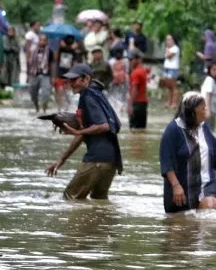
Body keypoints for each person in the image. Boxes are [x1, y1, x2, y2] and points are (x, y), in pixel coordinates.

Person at [159, 91, 216, 213]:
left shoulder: (203, 127)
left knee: (210, 211)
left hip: (206, 184)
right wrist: (176, 186)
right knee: (179, 225)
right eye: (203, 108)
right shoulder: (173, 130)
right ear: (192, 112)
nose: (206, 111)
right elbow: (167, 161)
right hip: (181, 187)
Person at [45, 64, 123, 200]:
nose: (71, 84)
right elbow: (82, 134)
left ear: (86, 79)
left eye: (74, 80)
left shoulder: (87, 97)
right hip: (111, 161)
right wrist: (61, 160)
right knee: (99, 203)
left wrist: (76, 132)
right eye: (69, 80)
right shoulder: (97, 94)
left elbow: (103, 126)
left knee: (69, 198)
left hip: (96, 160)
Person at [28, 34, 55, 113]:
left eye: (44, 40)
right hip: (34, 74)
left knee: (46, 93)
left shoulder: (50, 51)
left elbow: (52, 64)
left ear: (46, 41)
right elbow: (29, 62)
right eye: (41, 40)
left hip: (45, 74)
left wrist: (53, 77)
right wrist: (28, 74)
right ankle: (36, 107)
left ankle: (44, 110)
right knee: (33, 92)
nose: (42, 42)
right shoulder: (33, 50)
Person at [128, 49, 148, 129]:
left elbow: (134, 90)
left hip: (137, 104)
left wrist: (130, 105)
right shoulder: (142, 70)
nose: (129, 62)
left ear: (137, 59)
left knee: (133, 130)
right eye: (129, 59)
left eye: (131, 59)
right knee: (141, 130)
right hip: (143, 104)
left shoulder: (135, 73)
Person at [162, 34, 180, 109]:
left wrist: (167, 50)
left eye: (169, 39)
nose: (168, 41)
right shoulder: (168, 48)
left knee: (173, 86)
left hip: (173, 68)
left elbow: (169, 56)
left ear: (173, 40)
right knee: (168, 87)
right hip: (166, 67)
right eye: (167, 39)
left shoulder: (175, 48)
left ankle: (174, 103)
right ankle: (168, 102)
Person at [200, 62, 216, 130]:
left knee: (209, 130)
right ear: (209, 70)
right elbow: (207, 95)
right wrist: (208, 110)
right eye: (213, 70)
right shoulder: (210, 80)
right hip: (209, 109)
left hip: (212, 110)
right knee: (208, 131)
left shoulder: (212, 80)